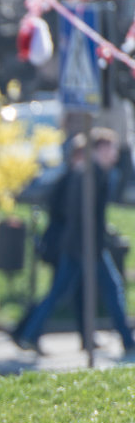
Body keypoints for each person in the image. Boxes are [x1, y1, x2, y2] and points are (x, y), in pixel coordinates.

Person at [13, 129, 135, 358]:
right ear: (99, 149)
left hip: (83, 245)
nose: (115, 155)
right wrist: (92, 246)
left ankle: (30, 334)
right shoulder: (91, 174)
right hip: (85, 246)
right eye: (111, 149)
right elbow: (82, 215)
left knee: (68, 292)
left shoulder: (89, 172)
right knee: (105, 289)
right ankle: (127, 340)